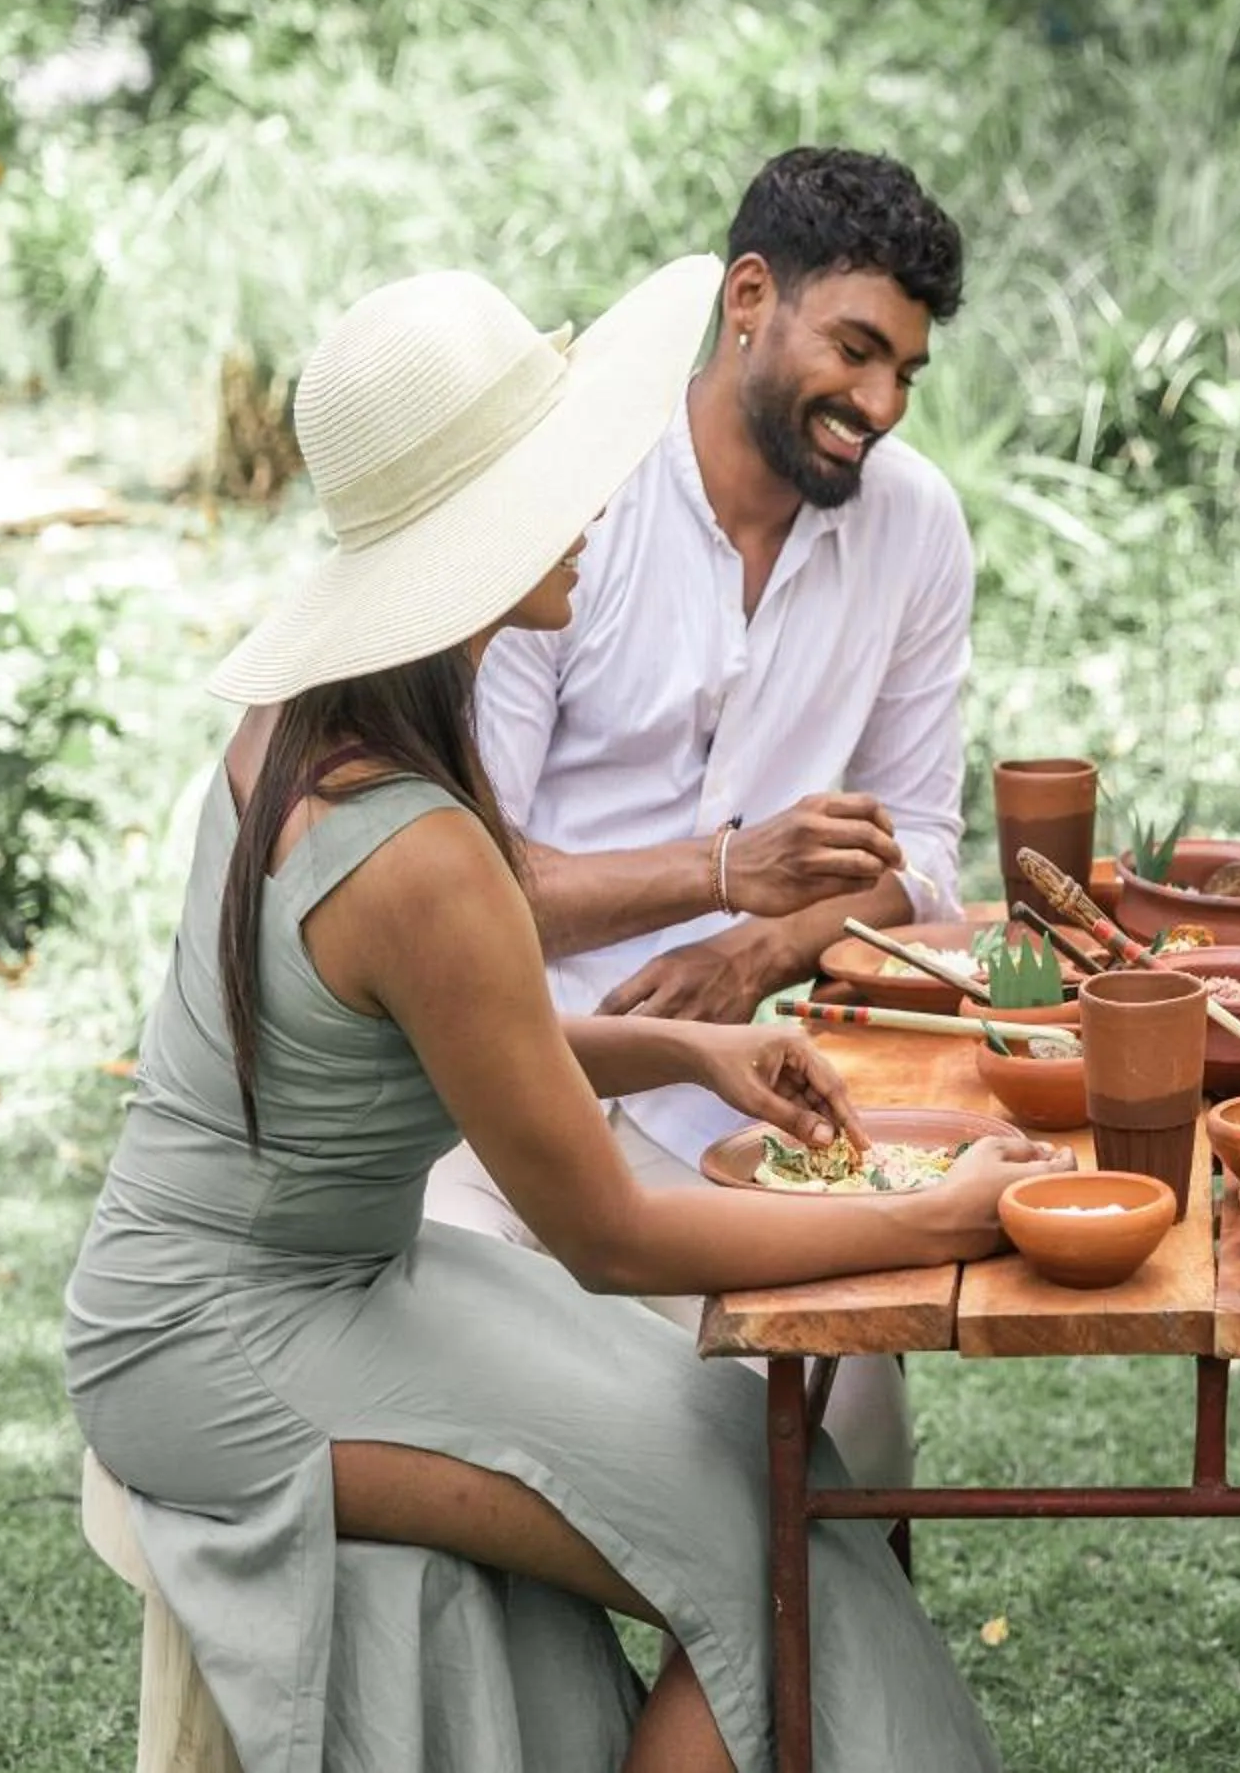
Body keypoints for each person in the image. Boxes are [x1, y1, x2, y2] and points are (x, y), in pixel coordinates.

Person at [64, 257, 1062, 1773]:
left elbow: (407, 1044)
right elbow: (610, 1233)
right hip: (223, 1347)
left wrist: (681, 1045)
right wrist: (944, 1218)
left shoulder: (308, 726)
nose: (595, 505)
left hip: (314, 1278)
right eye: (556, 480)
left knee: (765, 1469)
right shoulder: (423, 850)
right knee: (785, 1578)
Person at [421, 147, 975, 1488]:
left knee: (851, 1464)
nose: (881, 404)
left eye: (905, 368)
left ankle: (777, 1681)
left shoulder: (916, 528)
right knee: (493, 1424)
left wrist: (757, 952)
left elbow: (929, 858)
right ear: (747, 299)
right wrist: (726, 871)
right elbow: (464, 877)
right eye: (855, 349)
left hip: (731, 1102)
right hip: (497, 1092)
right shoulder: (574, 504)